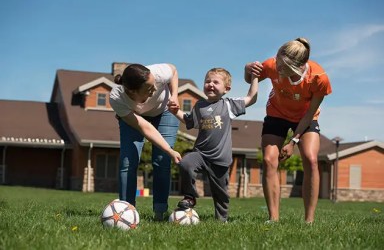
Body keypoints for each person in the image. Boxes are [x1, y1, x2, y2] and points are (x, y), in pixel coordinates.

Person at [244, 37, 332, 224]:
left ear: (299, 66)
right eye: (278, 61)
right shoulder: (272, 64)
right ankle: (273, 219)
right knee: (269, 160)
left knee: (311, 159)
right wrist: (247, 70)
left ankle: (309, 220)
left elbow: (309, 114)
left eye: (283, 66)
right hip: (277, 113)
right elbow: (250, 80)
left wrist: (294, 141)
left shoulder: (319, 78)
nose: (277, 68)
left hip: (305, 117)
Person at [168, 68, 259, 222]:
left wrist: (255, 77)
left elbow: (252, 98)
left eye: (216, 82)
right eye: (207, 81)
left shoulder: (229, 105)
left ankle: (221, 221)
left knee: (220, 194)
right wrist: (174, 111)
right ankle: (190, 197)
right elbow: (189, 121)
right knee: (185, 164)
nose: (210, 84)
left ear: (226, 89)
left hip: (220, 159)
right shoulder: (199, 106)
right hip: (200, 154)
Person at [109, 63, 182, 221]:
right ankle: (125, 213)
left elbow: (173, 70)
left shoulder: (157, 73)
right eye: (149, 88)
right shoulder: (117, 98)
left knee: (162, 159)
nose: (155, 89)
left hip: (164, 112)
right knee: (128, 161)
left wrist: (174, 95)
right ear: (132, 91)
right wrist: (170, 151)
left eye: (154, 84)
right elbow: (144, 128)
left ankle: (159, 212)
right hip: (135, 116)